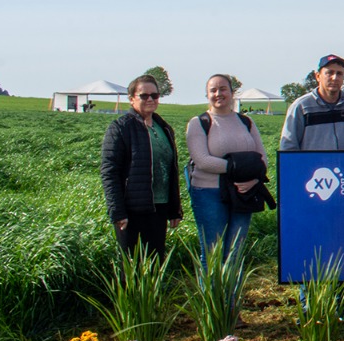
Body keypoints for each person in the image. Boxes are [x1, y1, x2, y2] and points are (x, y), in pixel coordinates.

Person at [185, 74, 268, 271]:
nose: (218, 94)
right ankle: (213, 301)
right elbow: (202, 160)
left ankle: (231, 301)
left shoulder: (246, 122)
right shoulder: (199, 123)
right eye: (213, 90)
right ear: (207, 95)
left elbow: (261, 158)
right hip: (209, 193)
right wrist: (239, 170)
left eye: (223, 89)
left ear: (232, 93)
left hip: (243, 193)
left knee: (235, 252)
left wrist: (254, 180)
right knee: (213, 253)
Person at [100, 73, 183, 256]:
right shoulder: (121, 127)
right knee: (132, 266)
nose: (150, 99)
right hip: (132, 209)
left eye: (154, 95)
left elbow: (171, 171)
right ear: (131, 99)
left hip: (159, 207)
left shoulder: (164, 128)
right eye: (144, 95)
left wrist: (174, 209)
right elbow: (109, 171)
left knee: (155, 262)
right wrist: (117, 211)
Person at [280, 54, 344, 151]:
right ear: (318, 76)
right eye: (329, 73)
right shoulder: (302, 107)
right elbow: (288, 146)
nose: (335, 78)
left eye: (339, 74)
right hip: (313, 165)